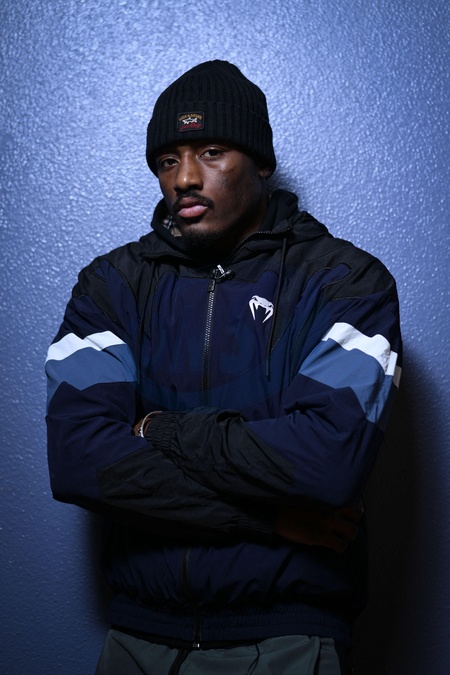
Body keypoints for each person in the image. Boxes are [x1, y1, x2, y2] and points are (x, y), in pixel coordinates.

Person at [46, 60, 402, 675]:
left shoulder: (347, 283)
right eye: (167, 161)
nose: (185, 177)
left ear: (260, 163)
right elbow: (80, 461)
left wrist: (156, 428)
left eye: (212, 152)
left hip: (287, 642)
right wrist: (269, 519)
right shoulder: (110, 285)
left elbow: (326, 465)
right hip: (136, 640)